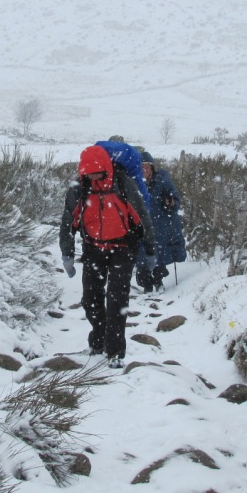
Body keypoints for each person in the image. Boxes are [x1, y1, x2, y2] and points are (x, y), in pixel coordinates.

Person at [60, 144, 156, 369]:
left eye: (97, 172)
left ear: (105, 167)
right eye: (89, 173)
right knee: (90, 298)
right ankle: (97, 341)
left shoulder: (123, 183)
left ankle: (115, 351)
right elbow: (68, 221)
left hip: (123, 249)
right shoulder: (80, 188)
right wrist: (67, 252)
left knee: (117, 300)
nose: (93, 177)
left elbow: (142, 217)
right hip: (93, 249)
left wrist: (150, 249)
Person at [134, 151, 187, 292]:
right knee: (141, 256)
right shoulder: (134, 182)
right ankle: (146, 285)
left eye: (147, 167)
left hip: (159, 225)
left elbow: (175, 201)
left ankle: (158, 281)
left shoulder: (162, 182)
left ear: (152, 168)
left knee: (159, 255)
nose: (144, 170)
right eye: (141, 167)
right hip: (140, 226)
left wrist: (170, 203)